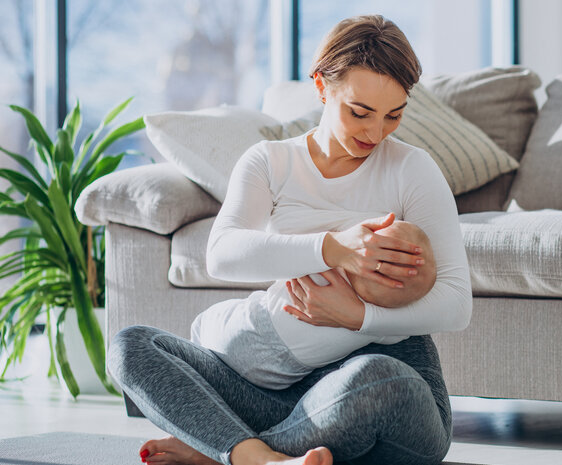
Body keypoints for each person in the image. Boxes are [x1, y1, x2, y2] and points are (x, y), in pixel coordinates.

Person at [107, 14, 471, 465]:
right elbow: (221, 254)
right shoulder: (272, 162)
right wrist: (332, 248)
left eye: (393, 115)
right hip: (277, 390)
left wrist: (358, 316)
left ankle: (224, 448)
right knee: (131, 345)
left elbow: (457, 304)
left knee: (379, 379)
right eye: (360, 112)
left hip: (379, 393)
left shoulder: (413, 170)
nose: (375, 133)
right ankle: (258, 456)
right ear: (321, 86)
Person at [190, 219, 437, 390]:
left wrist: (337, 244)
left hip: (250, 326)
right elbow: (405, 329)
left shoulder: (325, 271)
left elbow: (292, 250)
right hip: (277, 378)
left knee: (201, 325)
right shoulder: (385, 330)